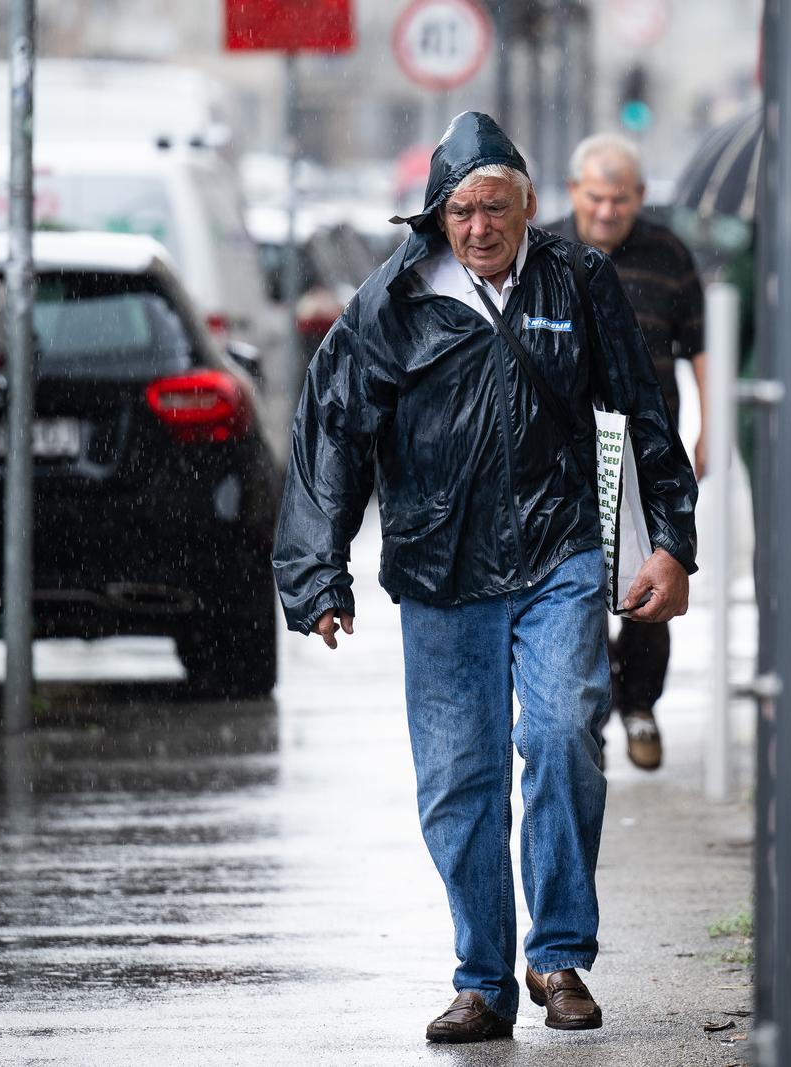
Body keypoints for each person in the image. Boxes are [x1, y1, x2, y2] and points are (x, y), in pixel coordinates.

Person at [271, 112, 698, 1044]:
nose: (479, 226)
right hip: (440, 565)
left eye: (495, 207)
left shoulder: (577, 279)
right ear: (436, 215)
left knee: (561, 734)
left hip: (560, 552)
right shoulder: (394, 300)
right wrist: (315, 572)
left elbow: (641, 405)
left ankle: (557, 954)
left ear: (528, 206)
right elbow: (332, 425)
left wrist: (672, 540)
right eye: (461, 210)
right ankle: (482, 979)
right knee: (459, 780)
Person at [544, 133, 708, 772]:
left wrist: (708, 429)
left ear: (640, 197)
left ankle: (638, 701)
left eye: (620, 199)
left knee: (649, 576)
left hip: (648, 449)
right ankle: (588, 717)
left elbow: (701, 345)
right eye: (596, 197)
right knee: (575, 582)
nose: (608, 210)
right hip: (569, 452)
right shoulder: (547, 252)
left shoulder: (667, 254)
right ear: (573, 193)